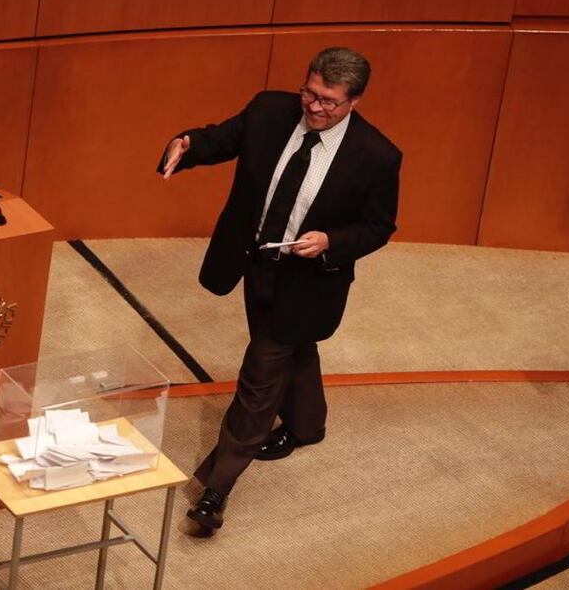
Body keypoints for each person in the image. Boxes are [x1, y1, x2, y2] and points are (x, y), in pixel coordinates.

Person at [157, 47, 402, 533]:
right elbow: (221, 139)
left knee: (261, 374)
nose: (314, 107)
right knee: (294, 345)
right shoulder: (270, 109)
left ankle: (216, 489)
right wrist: (185, 144)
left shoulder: (376, 155)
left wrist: (332, 241)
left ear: (354, 100)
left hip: (312, 279)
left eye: (328, 101)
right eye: (309, 93)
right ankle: (308, 425)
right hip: (256, 263)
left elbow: (379, 226)